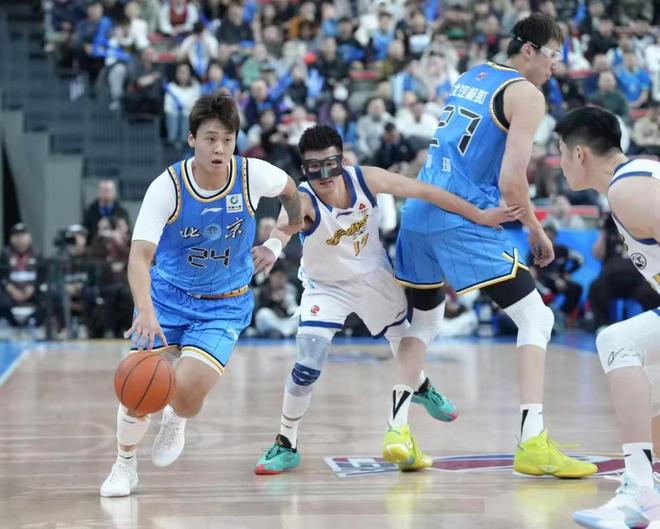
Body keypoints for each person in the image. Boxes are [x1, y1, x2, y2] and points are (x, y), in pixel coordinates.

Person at [392, 13, 597, 478]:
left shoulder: (472, 75)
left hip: (419, 211)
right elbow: (510, 182)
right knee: (536, 318)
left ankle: (397, 432)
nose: (555, 66)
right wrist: (536, 228)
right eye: (552, 56)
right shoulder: (526, 94)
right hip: (464, 216)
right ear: (528, 50)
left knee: (423, 324)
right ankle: (533, 441)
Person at [250, 125, 520, 474]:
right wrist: (272, 247)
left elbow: (425, 191)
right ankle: (286, 443)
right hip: (325, 287)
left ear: (342, 160)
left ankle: (420, 386)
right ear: (305, 169)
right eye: (314, 167)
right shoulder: (305, 199)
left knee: (405, 342)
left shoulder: (367, 179)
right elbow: (283, 227)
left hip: (374, 279)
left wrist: (479, 215)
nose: (324, 175)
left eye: (330, 164)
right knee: (307, 366)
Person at [99, 93, 302, 497]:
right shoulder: (168, 187)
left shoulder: (252, 175)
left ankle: (176, 419)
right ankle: (124, 465)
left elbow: (292, 191)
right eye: (210, 139)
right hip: (167, 299)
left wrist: (278, 241)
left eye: (227, 140)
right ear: (192, 139)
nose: (219, 148)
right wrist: (145, 311)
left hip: (224, 305)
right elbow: (139, 257)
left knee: (187, 392)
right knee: (138, 384)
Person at [556, 106, 660, 529]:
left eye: (560, 152)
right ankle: (648, 491)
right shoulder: (636, 177)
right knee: (648, 385)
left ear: (579, 154)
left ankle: (640, 489)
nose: (559, 163)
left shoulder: (627, 189)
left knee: (616, 341)